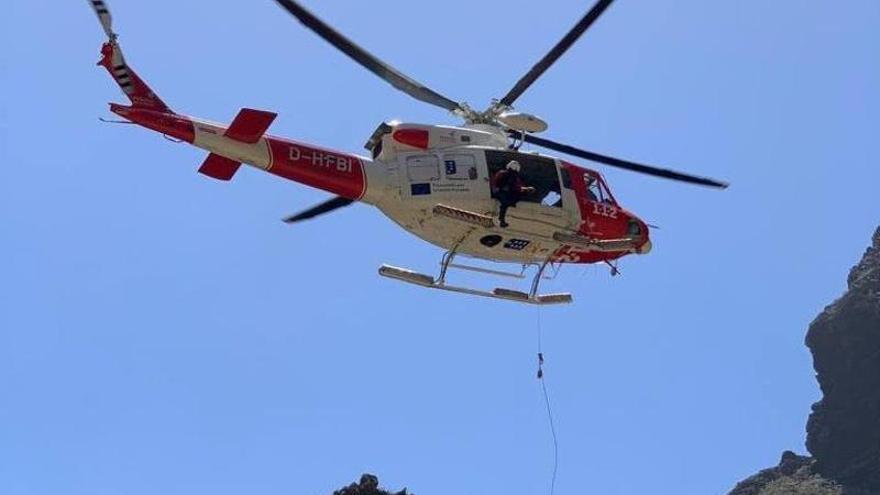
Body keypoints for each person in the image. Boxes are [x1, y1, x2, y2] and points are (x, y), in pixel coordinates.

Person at [491, 160, 534, 228]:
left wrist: (526, 189)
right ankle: (501, 220)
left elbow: (517, 187)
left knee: (507, 201)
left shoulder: (506, 174)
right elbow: (496, 182)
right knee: (505, 203)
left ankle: (502, 219)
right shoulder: (507, 174)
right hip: (501, 192)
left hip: (503, 192)